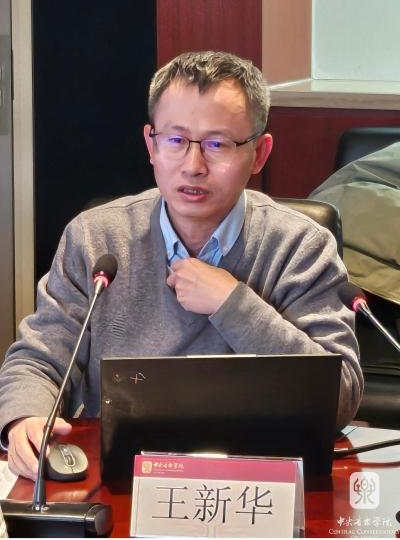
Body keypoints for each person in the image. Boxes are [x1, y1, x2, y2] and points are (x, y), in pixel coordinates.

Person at [0, 51, 363, 481]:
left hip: (261, 478)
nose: (194, 166)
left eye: (217, 144)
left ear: (259, 154)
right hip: (122, 478)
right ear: (151, 145)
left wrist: (233, 304)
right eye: (175, 140)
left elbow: (340, 395)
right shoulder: (95, 239)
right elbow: (40, 357)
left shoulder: (301, 246)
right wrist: (24, 417)